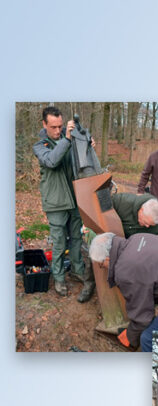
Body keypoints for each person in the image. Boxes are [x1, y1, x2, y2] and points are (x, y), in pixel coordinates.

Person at [32, 106, 86, 297]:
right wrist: (67, 139)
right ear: (44, 124)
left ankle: (78, 271)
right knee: (59, 242)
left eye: (60, 126)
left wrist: (86, 144)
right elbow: (52, 161)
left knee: (77, 238)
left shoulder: (69, 137)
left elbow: (81, 161)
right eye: (53, 127)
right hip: (55, 203)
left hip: (75, 199)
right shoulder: (40, 146)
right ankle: (60, 278)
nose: (57, 130)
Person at [75, 192, 158, 303]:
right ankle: (89, 285)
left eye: (150, 225)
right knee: (94, 256)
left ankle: (124, 292)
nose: (147, 227)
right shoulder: (121, 201)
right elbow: (97, 208)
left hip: (129, 244)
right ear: (141, 210)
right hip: (108, 235)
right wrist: (88, 223)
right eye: (146, 222)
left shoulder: (155, 228)